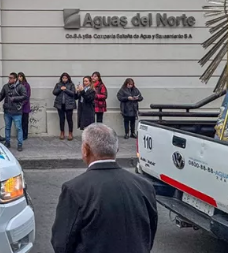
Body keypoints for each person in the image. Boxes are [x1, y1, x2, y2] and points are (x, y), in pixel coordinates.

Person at [51, 124, 158, 253]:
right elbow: (148, 235)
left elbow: (62, 243)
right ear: (117, 149)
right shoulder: (144, 186)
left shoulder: (74, 190)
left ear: (85, 150)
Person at [0, 73, 28, 151]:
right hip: (7, 111)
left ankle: (20, 144)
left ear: (15, 79)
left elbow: (25, 96)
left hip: (17, 111)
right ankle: (7, 142)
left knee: (18, 128)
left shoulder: (20, 86)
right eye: (9, 78)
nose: (9, 79)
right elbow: (1, 95)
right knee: (7, 127)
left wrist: (15, 98)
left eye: (11, 78)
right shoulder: (6, 86)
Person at [53, 72, 77, 141]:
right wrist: (60, 89)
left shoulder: (71, 85)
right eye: (63, 78)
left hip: (69, 105)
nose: (64, 79)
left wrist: (65, 89)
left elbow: (73, 93)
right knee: (61, 119)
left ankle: (70, 133)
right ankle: (62, 132)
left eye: (66, 78)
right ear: (61, 78)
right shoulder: (58, 84)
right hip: (60, 105)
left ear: (68, 78)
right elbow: (54, 92)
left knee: (69, 119)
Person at [18, 72, 31, 140]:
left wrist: (22, 103)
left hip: (25, 107)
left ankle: (25, 135)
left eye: (21, 76)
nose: (19, 78)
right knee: (19, 122)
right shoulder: (17, 85)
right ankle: (20, 134)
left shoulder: (26, 85)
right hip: (18, 107)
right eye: (18, 76)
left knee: (25, 121)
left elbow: (27, 96)